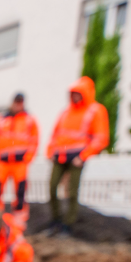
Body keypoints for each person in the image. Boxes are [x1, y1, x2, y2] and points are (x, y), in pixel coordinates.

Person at [45, 75, 110, 232]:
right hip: (60, 156)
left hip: (77, 158)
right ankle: (56, 220)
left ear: (85, 94)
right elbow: (55, 135)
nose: (74, 96)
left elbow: (101, 138)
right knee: (52, 188)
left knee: (72, 192)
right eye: (73, 93)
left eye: (78, 93)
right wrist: (50, 152)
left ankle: (68, 224)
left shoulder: (95, 110)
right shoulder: (66, 112)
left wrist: (83, 156)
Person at [0, 93, 38, 212]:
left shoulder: (29, 120)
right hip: (2, 161)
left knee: (20, 190)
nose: (18, 105)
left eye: (20, 103)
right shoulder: (0, 119)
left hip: (20, 161)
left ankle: (19, 213)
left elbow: (34, 140)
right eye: (16, 102)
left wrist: (28, 157)